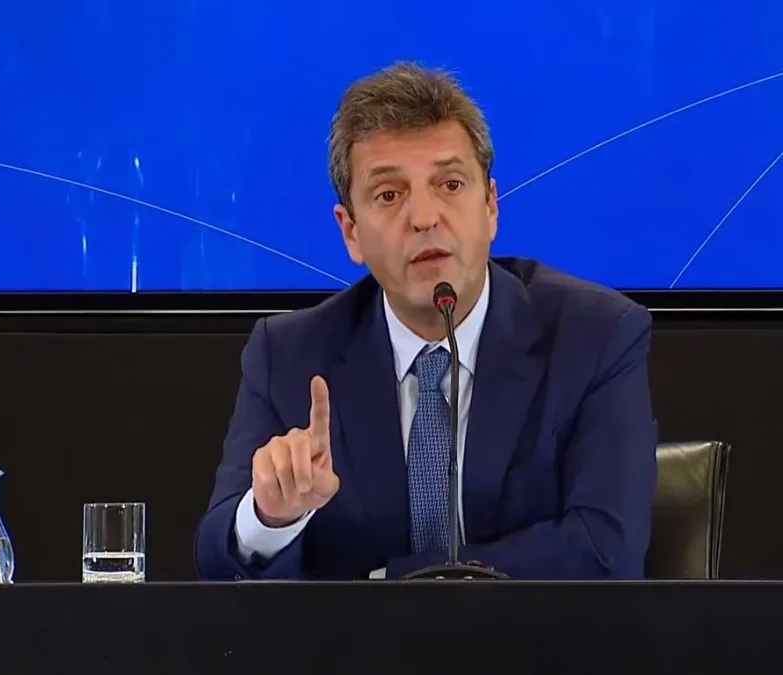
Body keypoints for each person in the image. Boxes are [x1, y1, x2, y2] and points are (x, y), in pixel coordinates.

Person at [194, 62, 657, 581]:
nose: (423, 217)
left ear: (491, 206)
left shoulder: (594, 336)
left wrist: (397, 583)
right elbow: (217, 561)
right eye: (389, 195)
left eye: (450, 184)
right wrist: (270, 517)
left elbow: (606, 551)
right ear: (350, 232)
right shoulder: (289, 355)